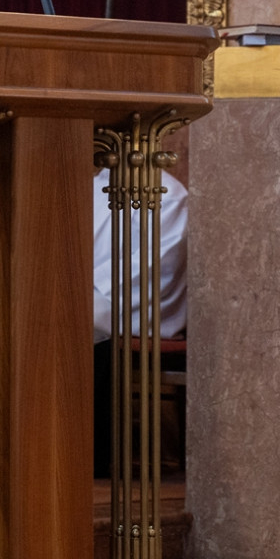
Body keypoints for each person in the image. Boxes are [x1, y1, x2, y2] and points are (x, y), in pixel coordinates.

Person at [91, 168, 189, 477]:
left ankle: (86, 455)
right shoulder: (88, 184)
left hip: (138, 304)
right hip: (91, 292)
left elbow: (158, 262)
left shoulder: (165, 192)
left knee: (81, 322)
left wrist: (88, 286)